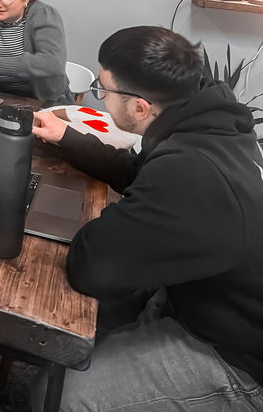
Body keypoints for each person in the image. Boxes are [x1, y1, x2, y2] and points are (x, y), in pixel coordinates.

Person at [31, 26, 263, 412]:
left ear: (139, 107)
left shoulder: (193, 169)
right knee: (95, 327)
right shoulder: (209, 124)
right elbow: (142, 173)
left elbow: (93, 265)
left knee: (57, 395)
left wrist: (109, 218)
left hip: (237, 354)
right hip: (201, 297)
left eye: (104, 90)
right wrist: (69, 138)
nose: (102, 99)